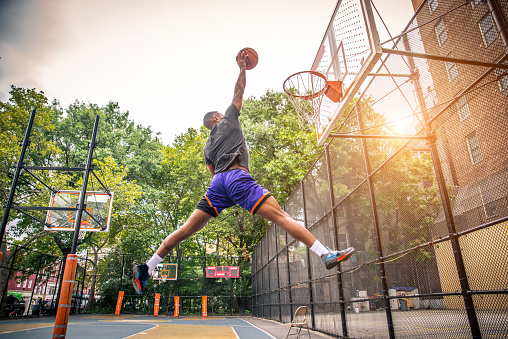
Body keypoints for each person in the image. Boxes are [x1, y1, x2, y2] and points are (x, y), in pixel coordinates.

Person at [132, 50, 355, 294]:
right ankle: (326, 254)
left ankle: (148, 266)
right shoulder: (227, 120)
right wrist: (242, 69)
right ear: (218, 117)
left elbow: (213, 173)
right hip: (237, 177)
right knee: (281, 216)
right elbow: (238, 92)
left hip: (217, 186)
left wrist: (227, 195)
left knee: (186, 230)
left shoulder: (207, 147)